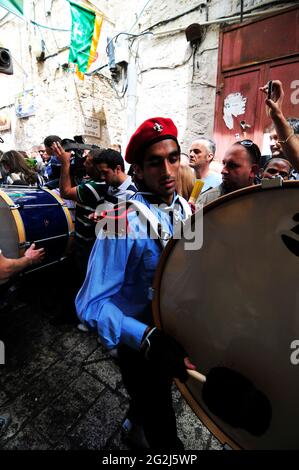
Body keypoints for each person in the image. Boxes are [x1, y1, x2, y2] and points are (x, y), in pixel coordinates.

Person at [75, 117, 196, 449]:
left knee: (151, 395)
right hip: (139, 344)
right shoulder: (119, 222)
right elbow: (88, 304)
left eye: (173, 158)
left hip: (171, 331)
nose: (168, 171)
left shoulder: (184, 208)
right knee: (165, 432)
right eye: (155, 163)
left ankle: (133, 421)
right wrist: (144, 337)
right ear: (138, 171)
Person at [197, 139, 260, 206]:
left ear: (253, 170)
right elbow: (197, 217)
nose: (223, 171)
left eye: (232, 165)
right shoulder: (205, 200)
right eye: (224, 163)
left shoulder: (267, 200)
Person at [260, 80, 299, 174]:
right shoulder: (263, 168)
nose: (271, 144)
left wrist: (277, 116)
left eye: (278, 138)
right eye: (271, 138)